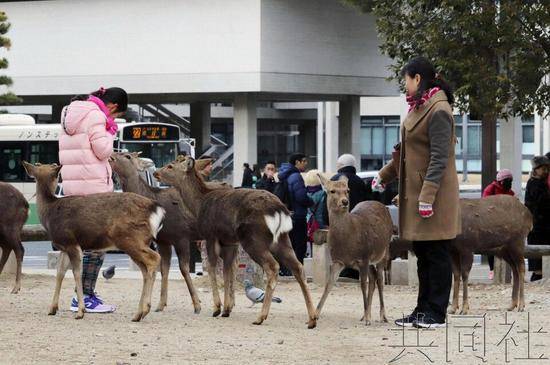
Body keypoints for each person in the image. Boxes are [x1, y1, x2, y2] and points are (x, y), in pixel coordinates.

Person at [374, 57, 460, 328]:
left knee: (436, 253)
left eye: (406, 80)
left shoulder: (439, 110)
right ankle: (422, 309)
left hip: (434, 197)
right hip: (419, 194)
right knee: (423, 253)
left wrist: (427, 196)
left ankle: (436, 312)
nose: (405, 85)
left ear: (418, 79)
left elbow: (440, 158)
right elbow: (407, 150)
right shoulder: (421, 107)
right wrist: (384, 175)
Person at [59, 86, 128, 313]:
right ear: (113, 106)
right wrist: (111, 131)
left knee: (81, 245)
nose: (113, 118)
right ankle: (85, 296)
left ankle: (82, 295)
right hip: (94, 189)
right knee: (96, 245)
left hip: (73, 188)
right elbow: (103, 151)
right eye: (116, 115)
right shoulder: (97, 116)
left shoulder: (69, 112)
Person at [278, 153, 314, 272]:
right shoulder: (295, 176)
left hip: (287, 215)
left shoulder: (285, 175)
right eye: (304, 161)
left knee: (288, 244)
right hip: (297, 216)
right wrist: (311, 201)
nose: (306, 163)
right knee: (299, 245)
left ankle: (286, 270)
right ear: (297, 162)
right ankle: (297, 271)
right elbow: (301, 197)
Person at [482, 168, 515, 280]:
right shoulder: (490, 189)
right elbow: (485, 205)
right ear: (501, 181)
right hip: (491, 223)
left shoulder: (510, 193)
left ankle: (508, 270)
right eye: (507, 180)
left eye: (511, 180)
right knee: (491, 247)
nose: (509, 183)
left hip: (505, 224)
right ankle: (492, 269)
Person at [524, 156, 550, 282]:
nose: (546, 171)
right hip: (537, 227)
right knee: (538, 263)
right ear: (536, 169)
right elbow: (539, 205)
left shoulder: (542, 184)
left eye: (547, 169)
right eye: (543, 169)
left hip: (544, 226)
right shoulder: (534, 184)